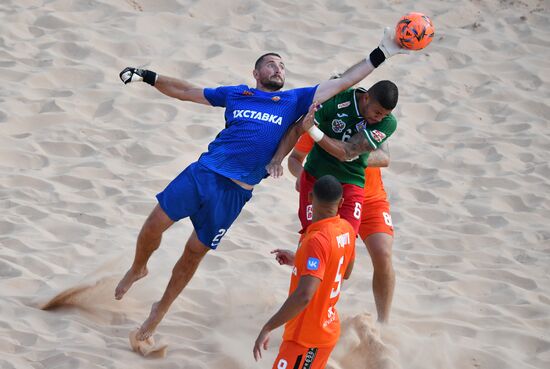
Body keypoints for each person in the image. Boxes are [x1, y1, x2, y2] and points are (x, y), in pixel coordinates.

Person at [114, 27, 408, 342]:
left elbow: (347, 80)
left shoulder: (294, 100)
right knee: (154, 223)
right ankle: (138, 267)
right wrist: (147, 76)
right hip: (203, 172)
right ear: (256, 72)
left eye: (282, 66)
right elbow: (187, 90)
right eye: (270, 64)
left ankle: (160, 310)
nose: (278, 69)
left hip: (234, 192)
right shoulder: (238, 93)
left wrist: (384, 51)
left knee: (192, 253)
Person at [289, 132, 395, 323]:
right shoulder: (326, 119)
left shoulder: (371, 118)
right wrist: (302, 174)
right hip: (334, 201)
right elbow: (295, 159)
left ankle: (383, 323)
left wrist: (346, 153)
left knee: (383, 254)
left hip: (371, 199)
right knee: (322, 254)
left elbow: (384, 157)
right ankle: (307, 314)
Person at [253, 175, 355, 369]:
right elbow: (345, 270)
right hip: (327, 330)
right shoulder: (346, 229)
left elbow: (304, 296)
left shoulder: (316, 240)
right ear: (341, 202)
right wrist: (300, 261)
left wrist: (268, 327)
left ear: (309, 198)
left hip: (306, 339)